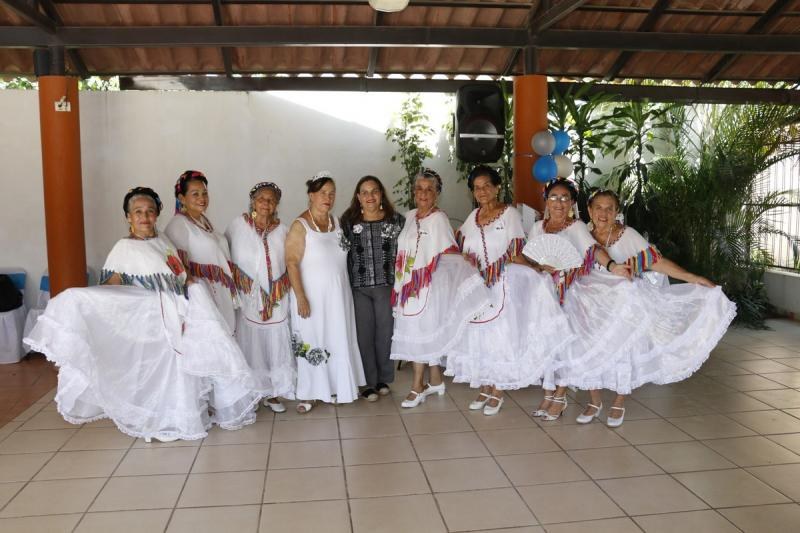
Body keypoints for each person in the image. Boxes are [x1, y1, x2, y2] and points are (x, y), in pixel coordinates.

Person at [24, 187, 261, 442]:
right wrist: (83, 301)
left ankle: (181, 417)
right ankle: (159, 420)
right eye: (138, 212)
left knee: (178, 373)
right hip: (151, 325)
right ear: (128, 217)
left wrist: (191, 286)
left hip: (175, 318)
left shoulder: (162, 242)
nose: (145, 217)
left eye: (149, 212)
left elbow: (178, 274)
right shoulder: (124, 248)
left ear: (157, 214)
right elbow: (112, 289)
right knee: (157, 375)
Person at [573, 189, 736, 426]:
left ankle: (618, 401)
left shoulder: (627, 235)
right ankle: (594, 401)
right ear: (589, 210)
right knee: (590, 352)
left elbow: (655, 261)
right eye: (598, 207)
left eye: (610, 208)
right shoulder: (582, 235)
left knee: (623, 355)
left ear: (617, 212)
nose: (603, 213)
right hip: (590, 307)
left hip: (622, 308)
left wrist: (691, 277)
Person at [445, 166, 571, 415]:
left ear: (497, 187)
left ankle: (498, 389)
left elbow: (516, 251)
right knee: (480, 336)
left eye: (486, 186)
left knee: (499, 338)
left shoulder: (509, 213)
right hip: (479, 287)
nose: (482, 191)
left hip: (503, 282)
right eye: (477, 187)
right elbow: (458, 244)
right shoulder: (473, 217)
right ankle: (486, 384)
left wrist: (536, 267)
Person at [528, 178, 640, 422]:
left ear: (572, 203)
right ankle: (549, 393)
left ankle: (561, 395)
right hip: (545, 294)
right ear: (546, 200)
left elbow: (593, 251)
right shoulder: (538, 228)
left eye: (565, 198)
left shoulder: (576, 227)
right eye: (554, 197)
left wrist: (612, 266)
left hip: (570, 294)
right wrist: (539, 265)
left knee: (567, 345)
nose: (559, 203)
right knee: (548, 344)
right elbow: (531, 257)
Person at [390, 168, 489, 408]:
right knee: (420, 335)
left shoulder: (439, 219)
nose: (423, 194)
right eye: (419, 189)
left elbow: (449, 252)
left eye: (429, 190)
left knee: (419, 336)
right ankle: (435, 380)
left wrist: (467, 268)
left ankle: (417, 386)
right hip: (407, 286)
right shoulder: (410, 215)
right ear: (414, 192)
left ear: (437, 194)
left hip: (427, 288)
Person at [284, 171, 366, 413]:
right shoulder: (300, 226)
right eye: (322, 193)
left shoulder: (336, 222)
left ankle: (338, 386)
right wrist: (300, 296)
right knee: (313, 338)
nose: (328, 198)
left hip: (338, 296)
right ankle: (311, 393)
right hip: (311, 296)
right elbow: (291, 262)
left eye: (332, 193)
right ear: (311, 195)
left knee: (336, 337)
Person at [227, 181, 296, 413]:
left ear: (276, 204)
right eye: (261, 199)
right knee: (252, 344)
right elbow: (226, 254)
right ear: (253, 201)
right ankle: (255, 392)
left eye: (271, 199)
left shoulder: (283, 230)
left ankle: (274, 393)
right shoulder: (238, 225)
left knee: (274, 342)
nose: (266, 203)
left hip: (276, 297)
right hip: (249, 298)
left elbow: (290, 261)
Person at [341, 176, 405, 402]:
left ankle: (383, 379)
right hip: (358, 289)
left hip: (386, 287)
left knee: (385, 335)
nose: (370, 196)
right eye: (364, 192)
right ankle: (366, 382)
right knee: (363, 336)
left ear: (381, 194)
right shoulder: (347, 223)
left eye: (374, 191)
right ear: (358, 197)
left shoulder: (396, 221)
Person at [165, 170, 237, 334]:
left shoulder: (204, 221)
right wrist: (199, 299)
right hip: (202, 296)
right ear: (182, 198)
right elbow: (178, 269)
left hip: (220, 293)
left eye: (204, 193)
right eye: (195, 194)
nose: (202, 198)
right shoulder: (178, 225)